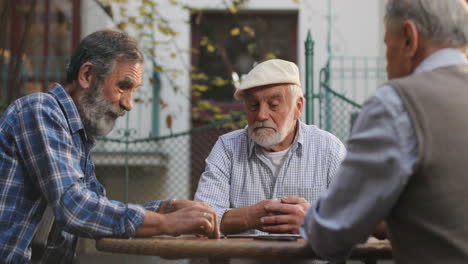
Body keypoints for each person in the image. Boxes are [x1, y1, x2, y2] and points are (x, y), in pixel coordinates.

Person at [265, 0, 468, 263]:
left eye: (387, 46)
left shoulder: (398, 104)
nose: (386, 65)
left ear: (409, 38)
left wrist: (310, 220)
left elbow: (332, 234)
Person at [0, 30, 219, 263]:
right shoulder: (40, 110)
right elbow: (74, 207)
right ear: (87, 75)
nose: (129, 104)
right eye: (124, 86)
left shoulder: (77, 136)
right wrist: (167, 224)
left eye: (134, 90)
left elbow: (97, 207)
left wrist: (167, 208)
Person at [194, 59, 346, 235]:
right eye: (253, 105)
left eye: (273, 105)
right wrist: (249, 216)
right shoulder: (227, 149)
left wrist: (312, 220)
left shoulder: (329, 150)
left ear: (298, 107)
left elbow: (355, 217)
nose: (261, 115)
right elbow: (201, 219)